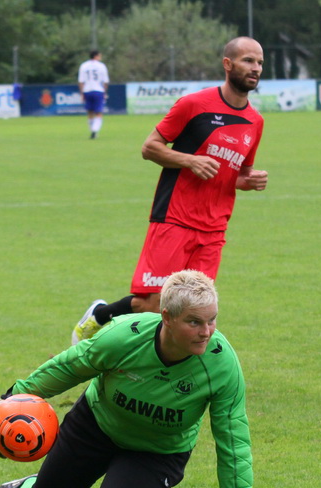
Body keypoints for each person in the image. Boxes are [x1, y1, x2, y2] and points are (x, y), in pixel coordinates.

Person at [0, 270, 266, 488]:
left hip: (158, 451)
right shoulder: (124, 336)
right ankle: (28, 486)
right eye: (194, 322)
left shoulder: (221, 364)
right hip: (94, 427)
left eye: (212, 320)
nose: (206, 332)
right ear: (167, 317)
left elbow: (233, 437)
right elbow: (68, 367)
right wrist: (7, 405)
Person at [71, 36, 268, 346]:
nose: (255, 68)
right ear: (228, 64)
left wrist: (250, 180)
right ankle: (100, 316)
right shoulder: (195, 105)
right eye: (248, 61)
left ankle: (164, 370)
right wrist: (189, 160)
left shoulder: (255, 122)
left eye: (259, 63)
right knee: (152, 304)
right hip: (174, 217)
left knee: (192, 308)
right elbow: (150, 147)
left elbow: (237, 174)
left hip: (214, 228)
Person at [78, 50, 109, 139]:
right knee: (98, 113)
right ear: (96, 56)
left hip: (87, 91)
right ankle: (95, 130)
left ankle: (92, 130)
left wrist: (82, 93)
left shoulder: (83, 65)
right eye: (99, 56)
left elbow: (81, 81)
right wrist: (105, 92)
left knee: (90, 112)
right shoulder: (101, 66)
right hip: (98, 91)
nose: (100, 57)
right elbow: (105, 81)